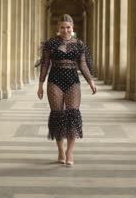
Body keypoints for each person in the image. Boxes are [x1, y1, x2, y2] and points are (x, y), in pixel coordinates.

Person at [37, 14, 97, 166]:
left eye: (68, 27)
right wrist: (40, 84)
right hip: (54, 81)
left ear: (73, 28)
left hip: (72, 82)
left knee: (72, 115)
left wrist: (90, 81)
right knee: (57, 116)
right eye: (62, 28)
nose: (65, 30)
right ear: (58, 29)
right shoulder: (51, 44)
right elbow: (45, 64)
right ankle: (60, 150)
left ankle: (70, 151)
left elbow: (82, 65)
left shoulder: (79, 44)